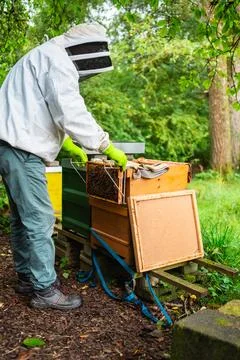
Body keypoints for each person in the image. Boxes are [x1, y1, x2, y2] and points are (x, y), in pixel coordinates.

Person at [0, 23, 127, 310]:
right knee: (40, 218)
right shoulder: (57, 61)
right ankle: (45, 290)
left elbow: (41, 107)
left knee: (22, 217)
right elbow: (69, 110)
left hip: (10, 146)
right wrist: (104, 145)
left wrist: (67, 143)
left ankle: (26, 277)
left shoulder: (43, 55)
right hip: (21, 150)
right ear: (87, 49)